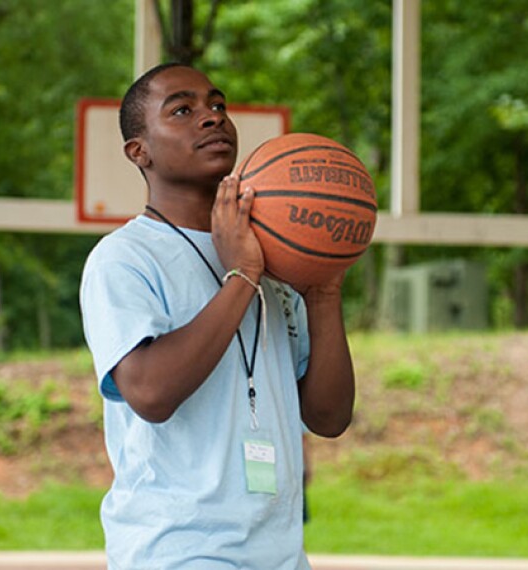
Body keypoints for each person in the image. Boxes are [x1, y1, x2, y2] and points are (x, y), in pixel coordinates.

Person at [79, 62, 355, 569]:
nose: (211, 117)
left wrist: (324, 291)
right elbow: (150, 393)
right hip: (179, 551)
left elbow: (329, 417)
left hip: (282, 556)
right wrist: (241, 278)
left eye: (218, 105)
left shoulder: (276, 259)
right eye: (182, 109)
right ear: (139, 151)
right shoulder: (124, 258)